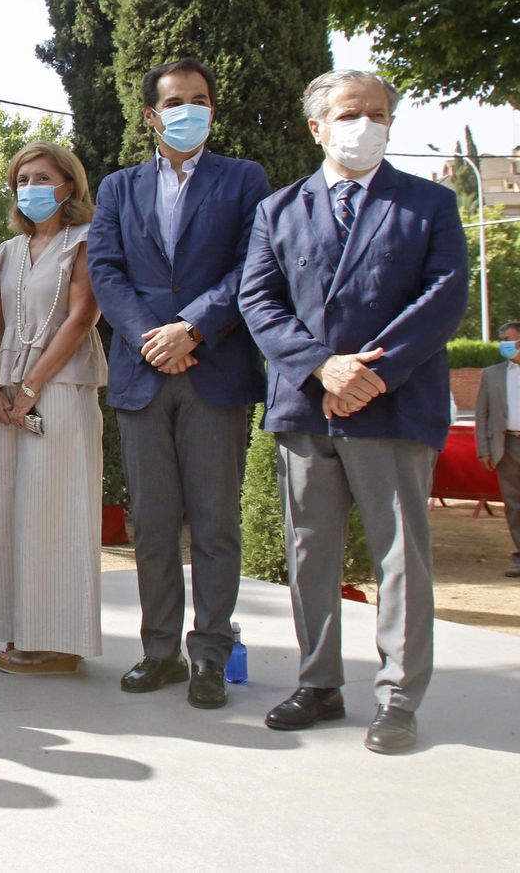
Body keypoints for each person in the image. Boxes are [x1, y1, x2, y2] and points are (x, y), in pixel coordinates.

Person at [240, 68, 467, 754]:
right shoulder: (278, 210)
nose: (362, 123)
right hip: (307, 407)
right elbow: (259, 300)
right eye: (347, 112)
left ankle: (398, 694)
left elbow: (445, 294)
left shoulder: (428, 203)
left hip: (392, 407)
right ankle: (319, 681)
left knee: (401, 556)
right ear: (317, 126)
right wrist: (322, 366)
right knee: (311, 551)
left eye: (376, 112)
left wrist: (373, 370)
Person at [86, 57, 271, 707]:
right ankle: (159, 649)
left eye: (200, 99)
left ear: (211, 110)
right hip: (143, 374)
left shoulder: (245, 180)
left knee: (216, 524)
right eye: (176, 100)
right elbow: (105, 271)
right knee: (153, 523)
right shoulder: (117, 188)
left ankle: (212, 654)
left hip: (214, 369)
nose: (189, 109)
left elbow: (253, 263)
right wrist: (150, 337)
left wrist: (192, 328)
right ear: (151, 115)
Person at [0, 141, 105, 676]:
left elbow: (83, 316)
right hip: (6, 399)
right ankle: (22, 631)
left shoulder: (84, 241)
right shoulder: (8, 251)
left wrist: (32, 384)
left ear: (68, 185)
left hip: (59, 388)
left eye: (41, 177)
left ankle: (62, 640)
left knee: (57, 513)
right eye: (22, 179)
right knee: (12, 515)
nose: (30, 187)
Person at [473, 321, 520, 579]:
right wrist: (484, 450)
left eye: (508, 338)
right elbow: (482, 415)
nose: (503, 343)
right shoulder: (492, 374)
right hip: (506, 446)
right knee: (514, 505)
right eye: (501, 339)